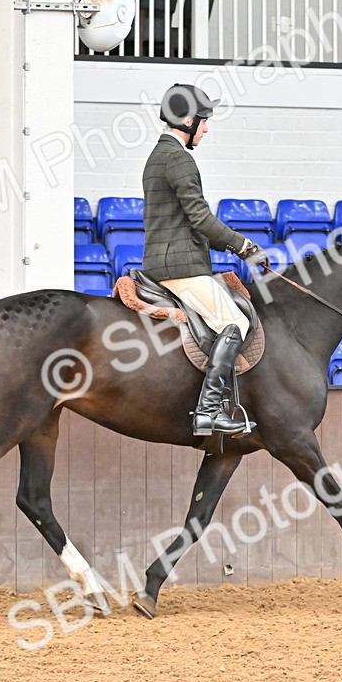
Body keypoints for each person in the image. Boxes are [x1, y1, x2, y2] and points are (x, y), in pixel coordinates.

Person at [142, 83, 271, 438]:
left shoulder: (159, 155)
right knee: (235, 322)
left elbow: (183, 223)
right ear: (187, 120)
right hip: (179, 268)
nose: (207, 128)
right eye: (204, 120)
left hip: (168, 258)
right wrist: (243, 245)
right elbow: (200, 219)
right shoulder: (179, 158)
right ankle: (209, 410)